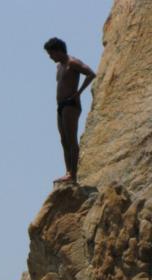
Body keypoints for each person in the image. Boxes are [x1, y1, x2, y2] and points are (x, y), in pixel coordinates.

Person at [44, 37, 96, 183]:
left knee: (71, 140)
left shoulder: (72, 62)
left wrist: (78, 93)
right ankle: (68, 172)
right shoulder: (59, 66)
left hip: (70, 105)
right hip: (60, 105)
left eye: (51, 54)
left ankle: (73, 175)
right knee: (64, 140)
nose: (50, 57)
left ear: (59, 51)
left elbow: (91, 73)